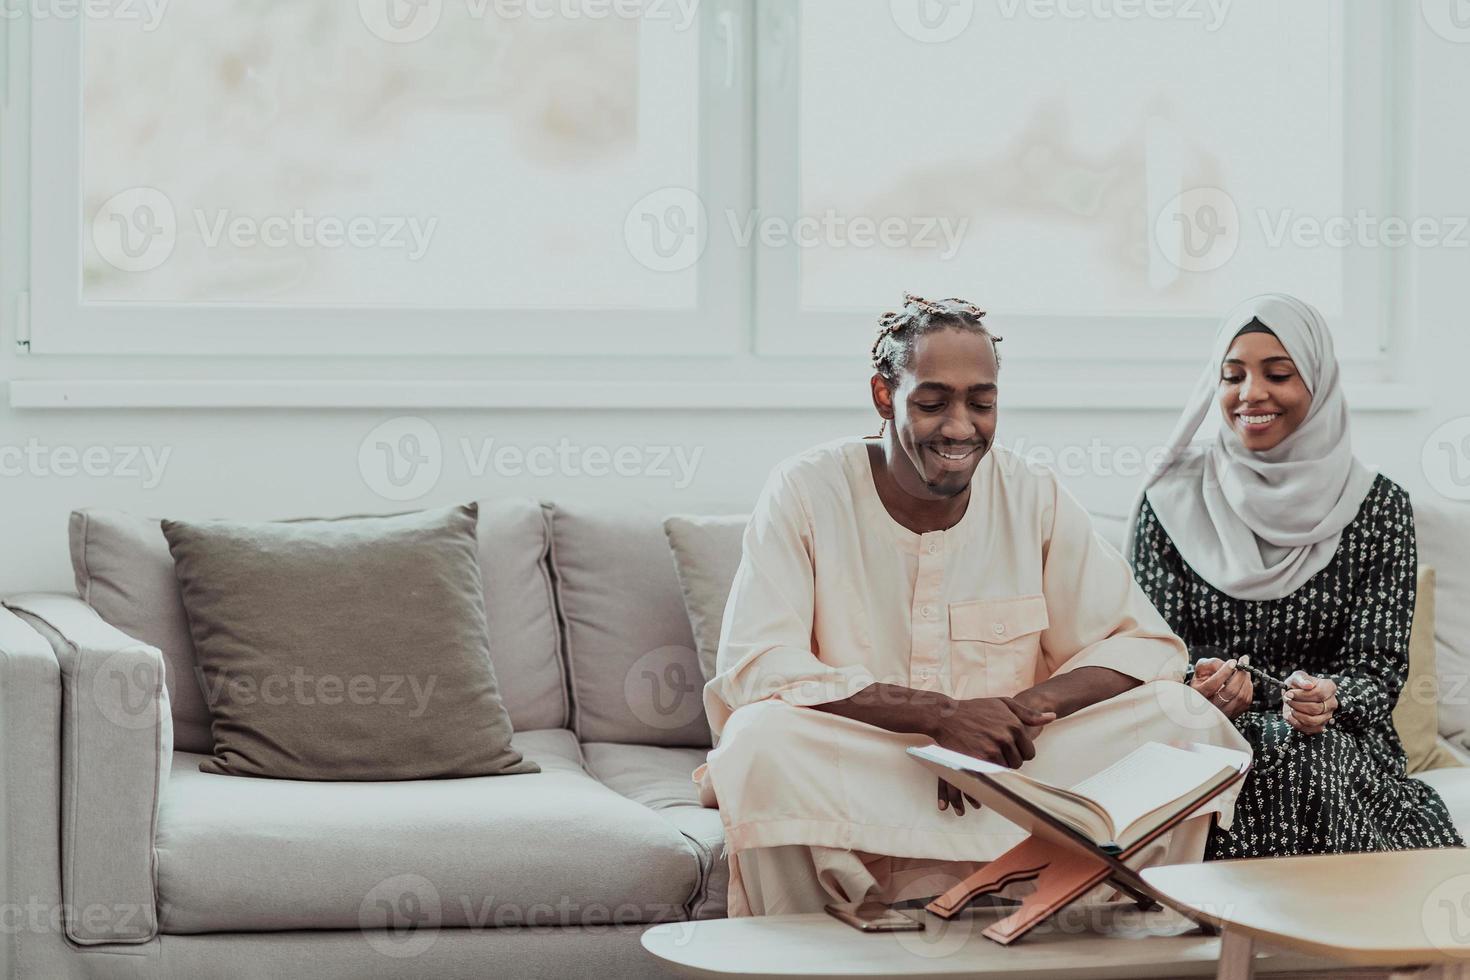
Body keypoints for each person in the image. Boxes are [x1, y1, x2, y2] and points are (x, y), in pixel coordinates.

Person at [693, 293, 1252, 917]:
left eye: (981, 403)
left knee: (1184, 717)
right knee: (758, 738)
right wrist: (938, 715)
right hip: (872, 761)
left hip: (1015, 769)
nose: (960, 427)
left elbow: (1140, 643)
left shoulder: (1031, 491)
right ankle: (802, 955)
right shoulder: (806, 488)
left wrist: (1016, 712)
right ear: (885, 396)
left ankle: (1109, 943)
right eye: (932, 403)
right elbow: (759, 665)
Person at [1126, 292, 1464, 859]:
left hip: (1340, 737)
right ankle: (1301, 931)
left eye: (1278, 373)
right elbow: (1148, 651)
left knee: (1301, 750)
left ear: (1319, 381)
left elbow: (1377, 670)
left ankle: (1281, 932)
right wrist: (1199, 687)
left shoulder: (1378, 507)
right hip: (1202, 731)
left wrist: (1333, 698)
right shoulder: (1170, 501)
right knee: (1266, 752)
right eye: (1232, 375)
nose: (1251, 393)